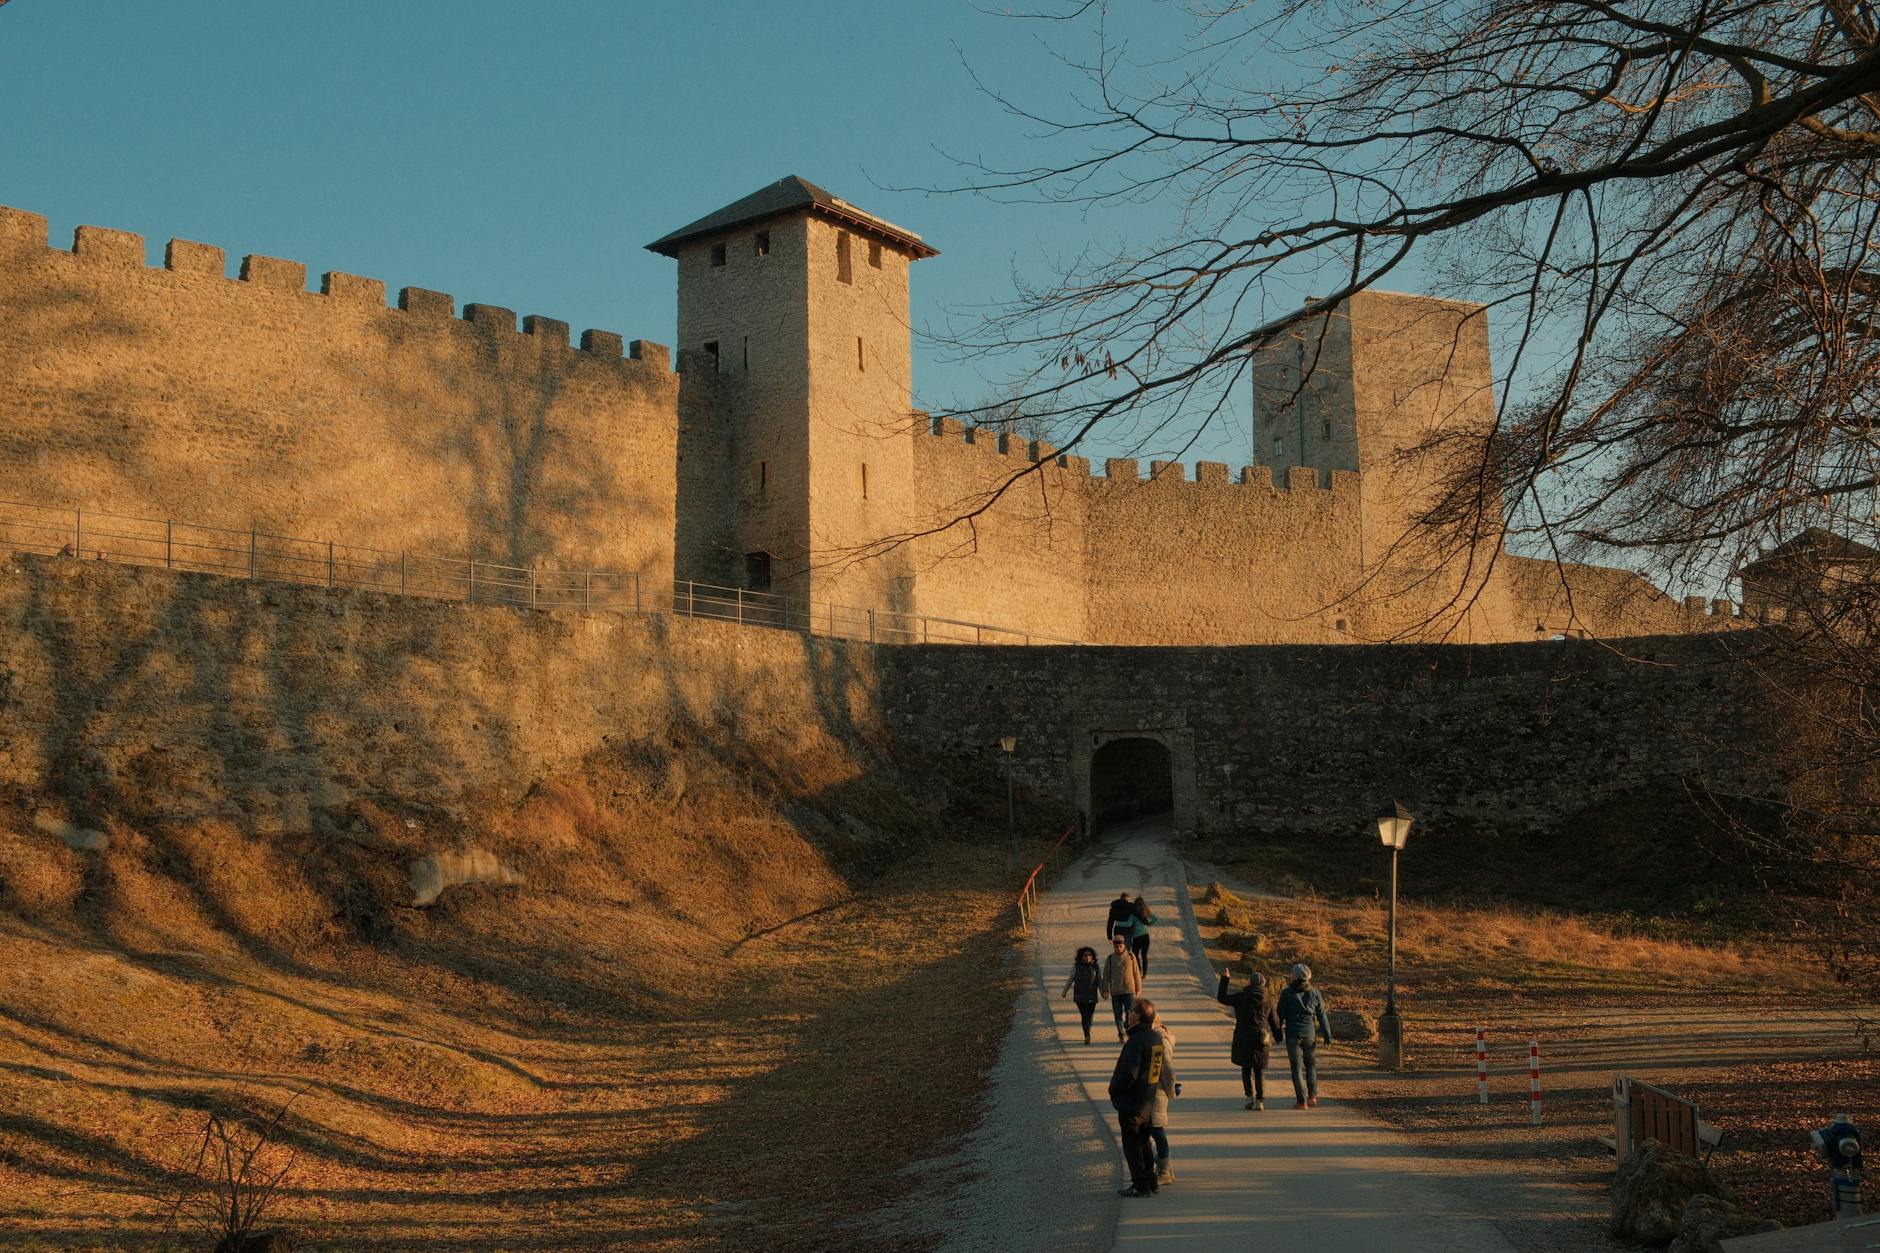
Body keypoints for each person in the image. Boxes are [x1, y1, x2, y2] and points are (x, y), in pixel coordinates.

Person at [1108, 998, 1175, 1198]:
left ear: (1138, 1016)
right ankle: (1150, 1181)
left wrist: (1114, 1090)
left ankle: (1141, 1185)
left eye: (1131, 1012)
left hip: (1132, 1101)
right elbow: (1156, 1071)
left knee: (1133, 1146)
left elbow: (1129, 1073)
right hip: (1148, 1099)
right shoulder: (1155, 1039)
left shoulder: (1137, 1041)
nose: (1127, 1014)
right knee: (1144, 1143)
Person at [1216, 964, 1283, 1110]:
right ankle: (1260, 1100)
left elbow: (1222, 997)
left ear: (1249, 982)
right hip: (1261, 1038)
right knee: (1259, 1070)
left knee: (1246, 1068)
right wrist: (1278, 1036)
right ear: (1263, 983)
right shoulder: (1267, 1000)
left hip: (1243, 1036)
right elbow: (1274, 1020)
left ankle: (1248, 1097)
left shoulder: (1241, 997)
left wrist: (1225, 979)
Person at [1276, 962, 1334, 1108]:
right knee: (1311, 1066)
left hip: (1292, 1035)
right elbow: (1322, 1015)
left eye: (1292, 973)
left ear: (1296, 976)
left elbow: (1279, 1016)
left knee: (1296, 1068)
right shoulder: (1314, 992)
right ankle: (1312, 1096)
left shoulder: (1287, 992)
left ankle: (1301, 1101)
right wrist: (1327, 1035)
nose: (1290, 975)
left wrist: (1276, 1034)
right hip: (1310, 1034)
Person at [1148, 1015, 1180, 1184]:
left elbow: (1166, 1069)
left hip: (1156, 1092)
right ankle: (1165, 1168)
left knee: (1157, 1130)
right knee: (1154, 1130)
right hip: (1154, 1091)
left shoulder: (1159, 1040)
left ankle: (1164, 1171)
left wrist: (1170, 1091)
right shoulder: (1156, 1037)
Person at [1100, 934, 1142, 1041]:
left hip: (1129, 990)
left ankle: (1128, 1031)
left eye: (1120, 946)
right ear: (1114, 947)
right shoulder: (1110, 959)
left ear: (1124, 946)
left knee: (1130, 1013)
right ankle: (1121, 1034)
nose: (1119, 948)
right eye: (1116, 947)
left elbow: (1136, 973)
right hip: (1116, 992)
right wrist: (1105, 990)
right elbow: (1106, 976)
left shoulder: (1131, 957)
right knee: (1117, 1014)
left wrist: (1138, 988)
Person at [1061, 945, 1103, 1044]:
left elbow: (1099, 981)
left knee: (1090, 1016)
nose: (1087, 957)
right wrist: (1065, 991)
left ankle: (1087, 1029)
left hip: (1092, 996)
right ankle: (1087, 1036)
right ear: (1081, 956)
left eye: (1090, 955)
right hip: (1080, 996)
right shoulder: (1076, 967)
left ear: (1092, 957)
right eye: (1085, 955)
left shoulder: (1096, 967)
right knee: (1085, 1016)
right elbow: (1070, 979)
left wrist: (1103, 992)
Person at [1120, 894, 1156, 978]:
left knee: (1135, 955)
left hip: (1137, 938)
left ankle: (1139, 971)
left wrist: (1118, 923)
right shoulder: (1146, 911)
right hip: (1146, 937)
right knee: (1144, 956)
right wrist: (1150, 924)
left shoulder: (1133, 914)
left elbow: (1128, 924)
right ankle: (1145, 974)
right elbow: (1155, 919)